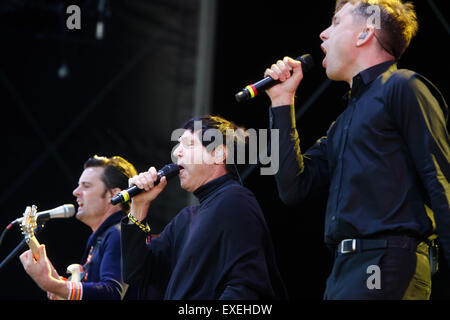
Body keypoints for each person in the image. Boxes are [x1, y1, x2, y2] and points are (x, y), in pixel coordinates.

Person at [264, 0, 450, 299]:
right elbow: (292, 188)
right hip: (344, 269)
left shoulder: (403, 87)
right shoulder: (343, 124)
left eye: (336, 23)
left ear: (365, 34)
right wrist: (281, 102)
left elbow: (440, 182)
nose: (323, 34)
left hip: (388, 263)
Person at [121, 115, 287, 299]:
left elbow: (245, 287)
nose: (177, 152)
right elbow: (136, 273)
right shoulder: (186, 218)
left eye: (189, 144)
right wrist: (139, 206)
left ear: (218, 154)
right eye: (178, 144)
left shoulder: (235, 200)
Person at [20, 155, 138, 300]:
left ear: (113, 194)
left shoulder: (118, 234)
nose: (76, 192)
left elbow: (112, 293)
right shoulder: (101, 238)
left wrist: (50, 284)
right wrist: (59, 286)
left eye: (86, 186)